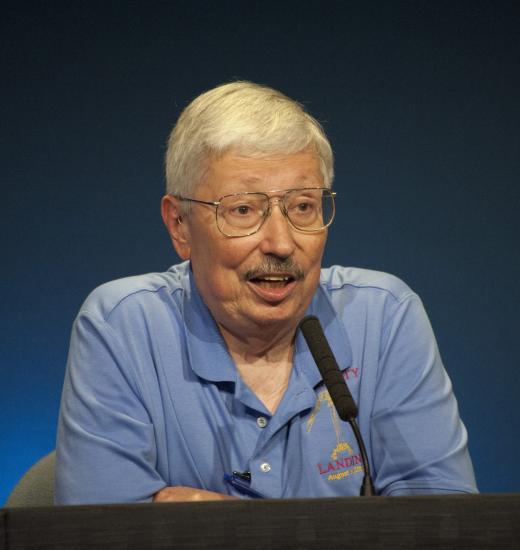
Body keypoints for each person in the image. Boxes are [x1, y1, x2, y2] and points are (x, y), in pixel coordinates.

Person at [55, 81, 477, 504]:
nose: (281, 242)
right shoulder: (122, 327)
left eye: (303, 207)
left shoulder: (383, 317)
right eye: (243, 210)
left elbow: (444, 523)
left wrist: (209, 526)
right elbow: (100, 534)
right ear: (179, 225)